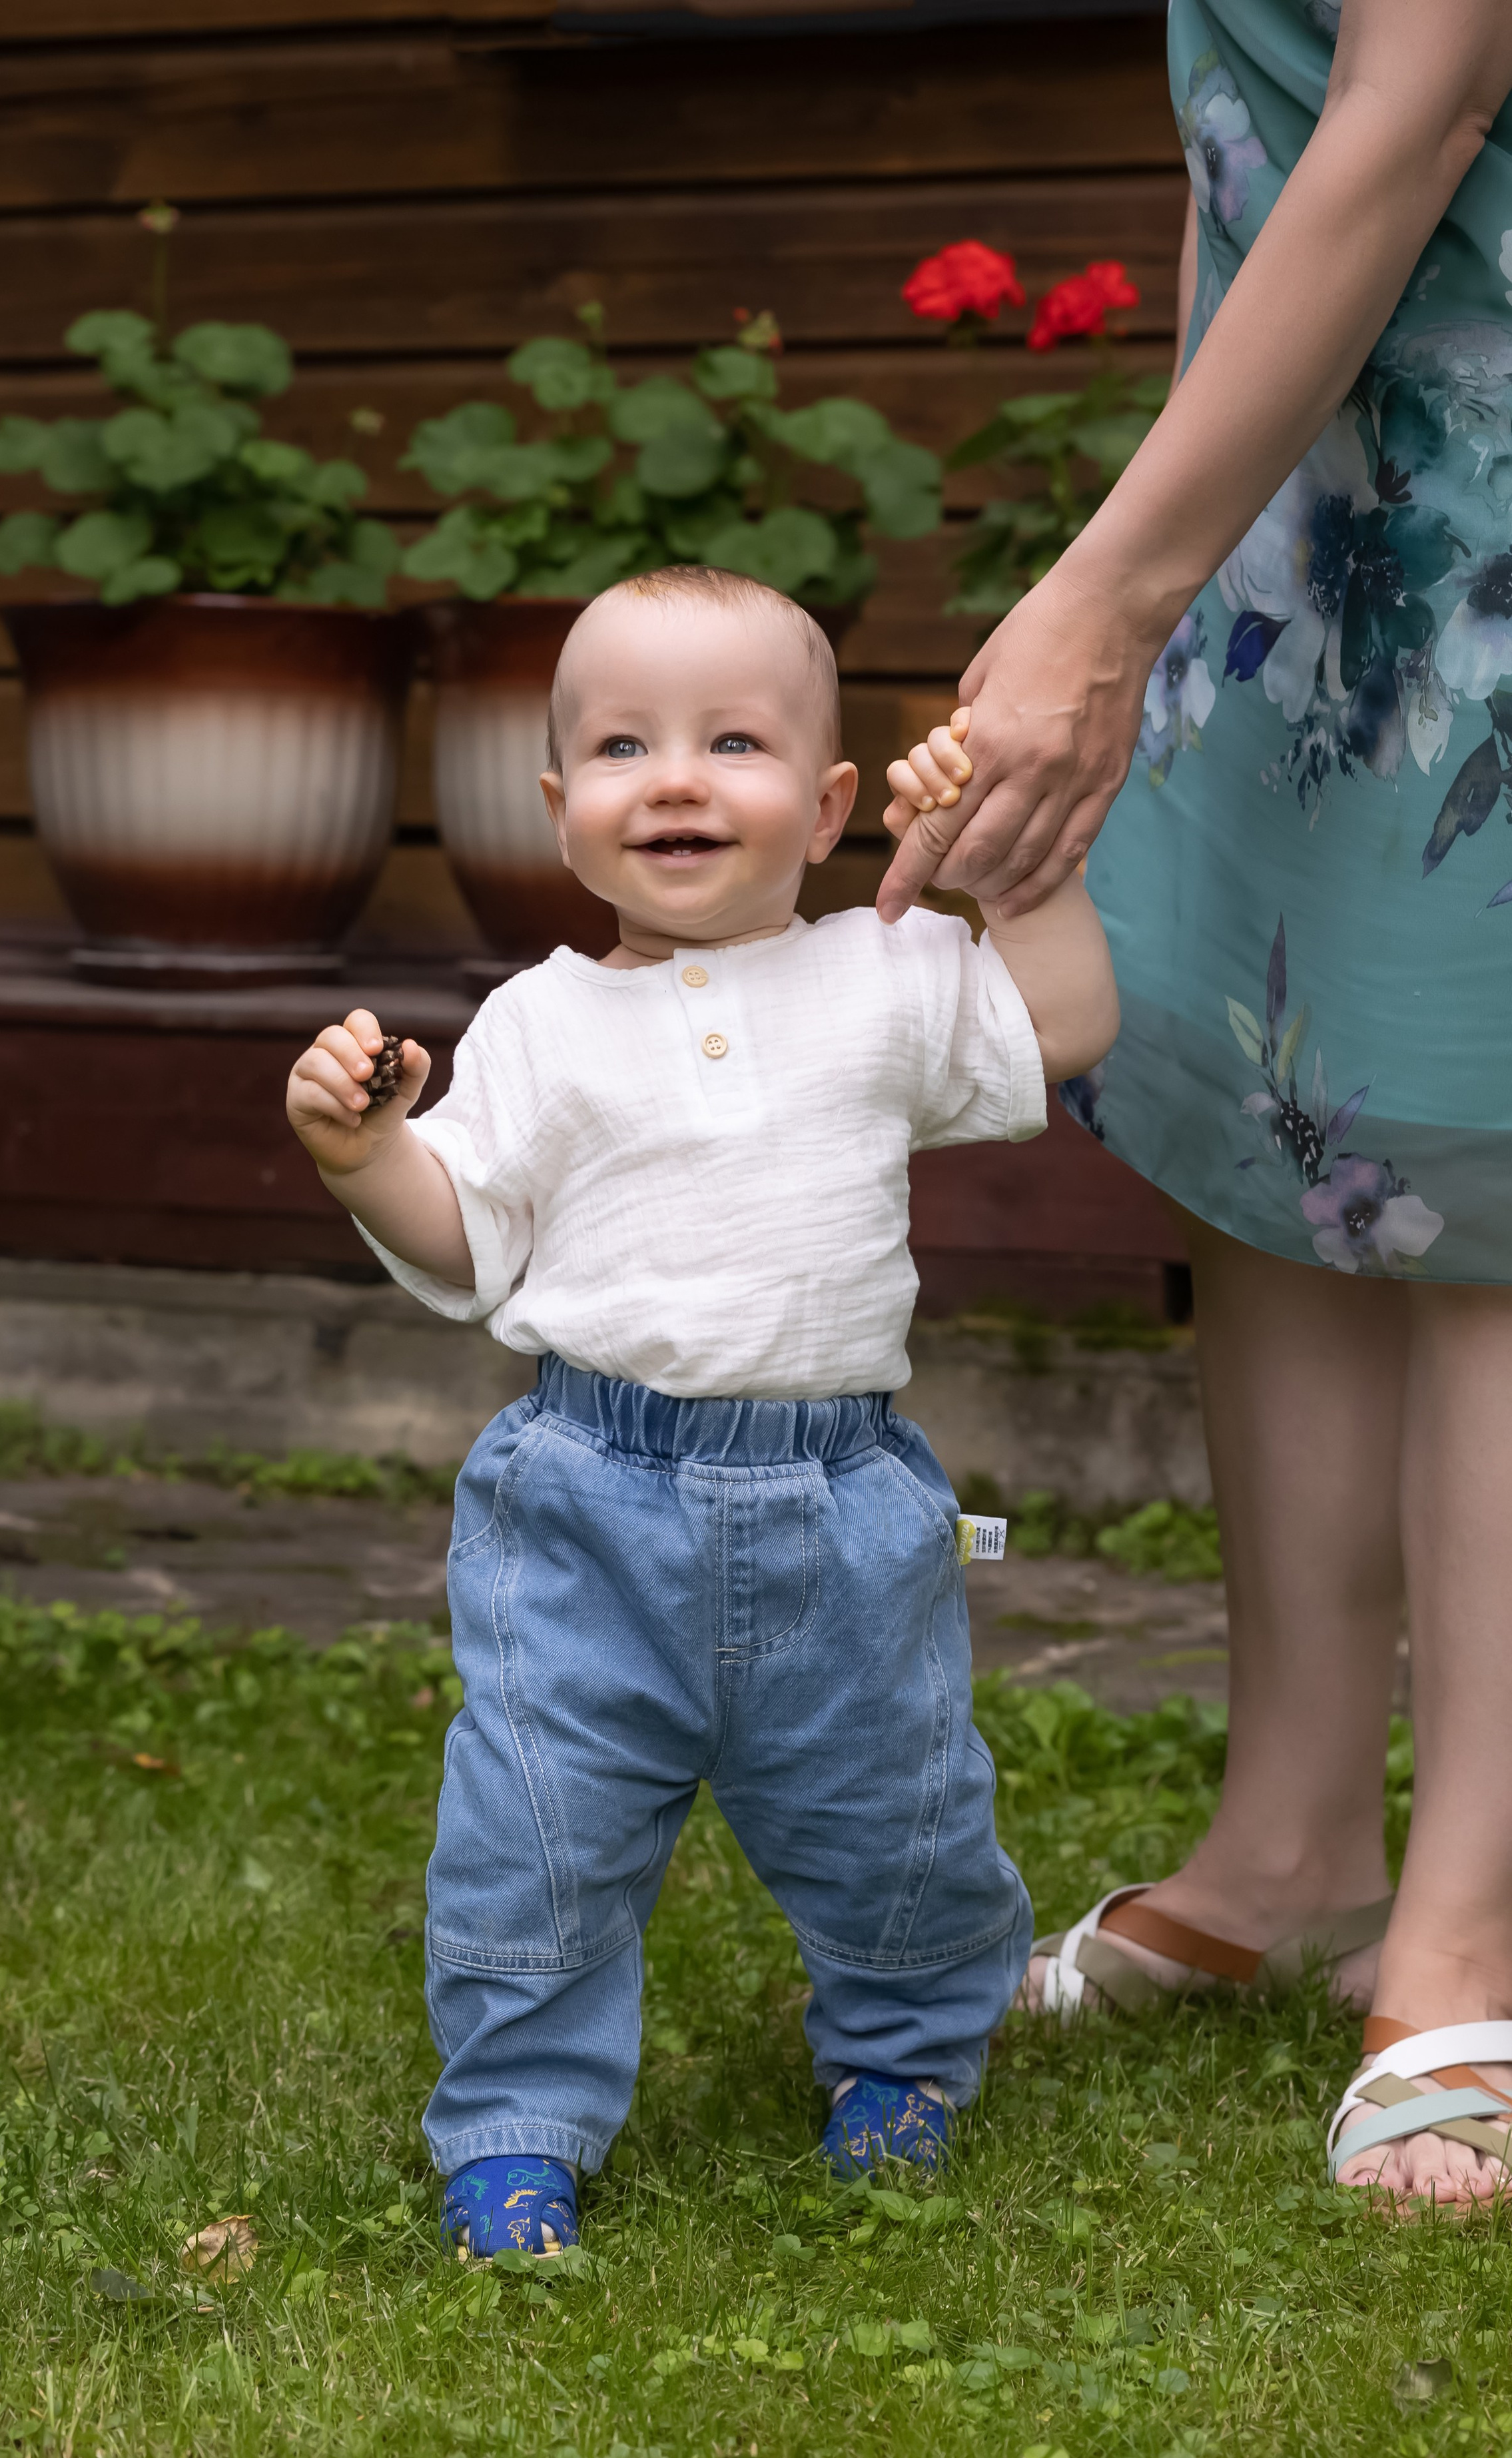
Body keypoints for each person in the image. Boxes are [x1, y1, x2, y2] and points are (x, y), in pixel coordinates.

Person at [284, 564, 1118, 2256]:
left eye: (729, 742)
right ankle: (516, 2127)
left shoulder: (885, 971)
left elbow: (1064, 1027)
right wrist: (367, 1158)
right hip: (589, 1499)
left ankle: (900, 2058)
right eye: (619, 745)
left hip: (843, 1506)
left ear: (825, 809)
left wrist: (1018, 874)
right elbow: (468, 1233)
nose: (671, 777)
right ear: (557, 807)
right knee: (535, 1832)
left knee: (897, 1816)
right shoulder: (536, 1023)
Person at [878, 0, 1512, 2207]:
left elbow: (1418, 100)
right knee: (1274, 1112)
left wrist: (1100, 594)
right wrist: (1190, 531)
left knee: (1487, 1148)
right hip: (1291, 493)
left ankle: (1471, 1923)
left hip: (1497, 478)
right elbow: (1241, 137)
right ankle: (1299, 1840)